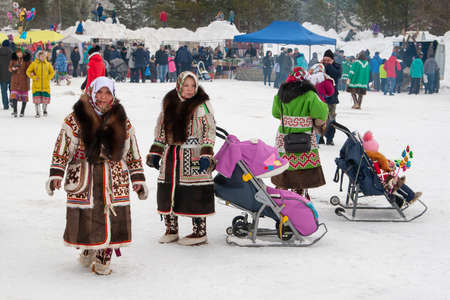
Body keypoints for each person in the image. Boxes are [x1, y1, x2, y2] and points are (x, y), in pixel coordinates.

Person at [45, 76, 148, 275]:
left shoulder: (121, 119)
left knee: (111, 215)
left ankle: (104, 256)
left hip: (113, 177)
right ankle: (89, 247)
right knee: (88, 216)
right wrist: (56, 173)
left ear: (113, 95)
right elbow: (63, 147)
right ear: (92, 92)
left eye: (107, 92)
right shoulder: (76, 117)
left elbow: (132, 150)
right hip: (85, 175)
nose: (103, 96)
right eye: (99, 92)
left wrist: (137, 177)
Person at [146, 71, 216, 246]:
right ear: (179, 85)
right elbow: (161, 130)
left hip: (194, 156)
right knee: (168, 190)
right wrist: (156, 152)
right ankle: (171, 229)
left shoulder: (202, 105)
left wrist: (206, 153)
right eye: (186, 85)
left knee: (195, 193)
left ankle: (199, 231)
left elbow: (209, 130)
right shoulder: (169, 102)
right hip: (171, 156)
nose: (190, 89)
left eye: (193, 85)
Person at [271, 67, 329, 199]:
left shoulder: (280, 95)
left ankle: (282, 188)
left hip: (284, 135)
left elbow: (275, 113)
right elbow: (320, 112)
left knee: (284, 162)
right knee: (303, 164)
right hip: (305, 135)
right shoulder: (310, 95)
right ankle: (299, 191)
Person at [362, 131, 422, 208]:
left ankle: (402, 199)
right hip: (384, 181)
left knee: (396, 183)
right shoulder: (377, 158)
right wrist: (392, 172)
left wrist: (389, 164)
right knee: (397, 182)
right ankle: (410, 196)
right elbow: (382, 171)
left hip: (380, 179)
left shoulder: (372, 158)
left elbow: (381, 167)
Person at [26, 50, 54, 117]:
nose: (43, 57)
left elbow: (52, 72)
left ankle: (44, 110)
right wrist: (34, 77)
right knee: (37, 100)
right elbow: (28, 72)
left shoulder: (48, 64)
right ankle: (37, 112)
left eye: (44, 56)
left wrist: (48, 77)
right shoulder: (34, 64)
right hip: (36, 86)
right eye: (41, 56)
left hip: (45, 85)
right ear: (38, 56)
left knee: (45, 100)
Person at [322, 49, 342, 145]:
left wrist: (329, 65)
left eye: (328, 60)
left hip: (332, 97)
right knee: (320, 117)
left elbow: (336, 75)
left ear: (332, 60)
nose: (326, 62)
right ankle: (320, 136)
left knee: (331, 118)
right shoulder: (320, 66)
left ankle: (330, 138)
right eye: (324, 60)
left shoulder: (337, 66)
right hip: (321, 96)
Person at [9, 48, 31, 117]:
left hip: (23, 80)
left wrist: (30, 73)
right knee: (14, 96)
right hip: (15, 79)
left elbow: (30, 69)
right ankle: (15, 111)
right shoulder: (13, 60)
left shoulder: (26, 60)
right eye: (17, 53)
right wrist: (13, 68)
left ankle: (22, 112)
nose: (19, 54)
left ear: (23, 53)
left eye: (20, 52)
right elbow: (9, 68)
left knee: (24, 97)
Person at [0, 40, 12, 110]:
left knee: (3, 91)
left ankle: (5, 105)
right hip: (11, 74)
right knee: (12, 90)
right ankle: (12, 101)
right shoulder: (12, 53)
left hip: (1, 75)